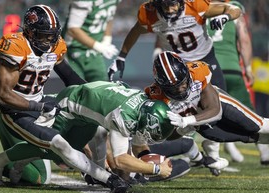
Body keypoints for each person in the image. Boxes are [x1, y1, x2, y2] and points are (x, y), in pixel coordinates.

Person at [0, 4, 130, 193]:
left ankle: (93, 170)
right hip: (16, 110)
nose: (49, 40)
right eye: (44, 35)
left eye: (52, 35)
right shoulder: (16, 46)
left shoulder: (56, 46)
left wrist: (103, 91)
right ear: (29, 31)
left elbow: (70, 78)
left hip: (39, 104)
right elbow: (3, 97)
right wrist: (39, 106)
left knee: (91, 124)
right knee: (42, 172)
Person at [0, 81, 175, 188]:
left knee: (97, 136)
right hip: (68, 108)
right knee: (49, 150)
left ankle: (15, 162)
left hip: (85, 115)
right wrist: (156, 170)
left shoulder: (142, 103)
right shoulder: (124, 116)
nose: (148, 137)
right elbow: (121, 160)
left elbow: (111, 141)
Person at [145, 51, 269, 157]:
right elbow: (167, 136)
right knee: (250, 137)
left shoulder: (197, 71)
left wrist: (186, 121)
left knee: (258, 126)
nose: (181, 88)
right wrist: (183, 130)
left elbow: (216, 110)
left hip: (220, 106)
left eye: (183, 82)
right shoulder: (156, 97)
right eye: (174, 88)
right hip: (201, 126)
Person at [108, 0, 241, 91]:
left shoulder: (194, 5)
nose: (171, 10)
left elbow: (233, 8)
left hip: (205, 58)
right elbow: (135, 31)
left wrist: (225, 17)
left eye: (174, 3)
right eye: (166, 5)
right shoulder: (149, 14)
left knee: (221, 98)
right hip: (177, 66)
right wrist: (121, 56)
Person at [206, 0, 269, 164]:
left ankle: (209, 154)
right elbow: (244, 40)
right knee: (247, 110)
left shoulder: (200, 7)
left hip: (207, 68)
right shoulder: (233, 7)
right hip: (231, 67)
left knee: (209, 112)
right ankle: (264, 152)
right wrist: (248, 68)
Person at [62, 0, 121, 82]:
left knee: (102, 88)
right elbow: (72, 29)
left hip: (93, 52)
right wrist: (99, 47)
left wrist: (107, 40)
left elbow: (109, 16)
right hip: (73, 50)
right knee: (77, 88)